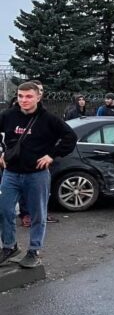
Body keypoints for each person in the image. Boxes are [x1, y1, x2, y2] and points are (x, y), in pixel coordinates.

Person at [0, 82, 77, 268]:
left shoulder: (48, 119)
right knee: (4, 210)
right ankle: (9, 247)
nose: (23, 100)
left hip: (37, 175)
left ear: (38, 97)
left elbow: (70, 137)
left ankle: (34, 250)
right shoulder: (8, 115)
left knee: (37, 215)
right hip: (11, 173)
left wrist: (52, 155)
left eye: (28, 96)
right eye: (20, 96)